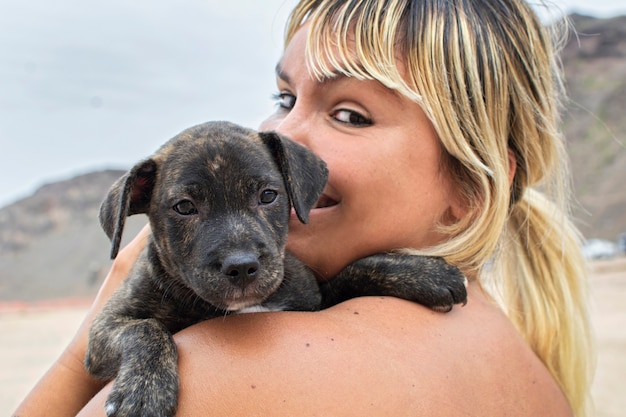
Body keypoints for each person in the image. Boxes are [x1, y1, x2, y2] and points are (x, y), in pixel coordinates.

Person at [14, 0, 595, 416]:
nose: (282, 135)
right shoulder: (536, 370)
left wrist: (83, 346)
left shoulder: (217, 380)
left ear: (470, 190)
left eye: (350, 114)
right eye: (284, 98)